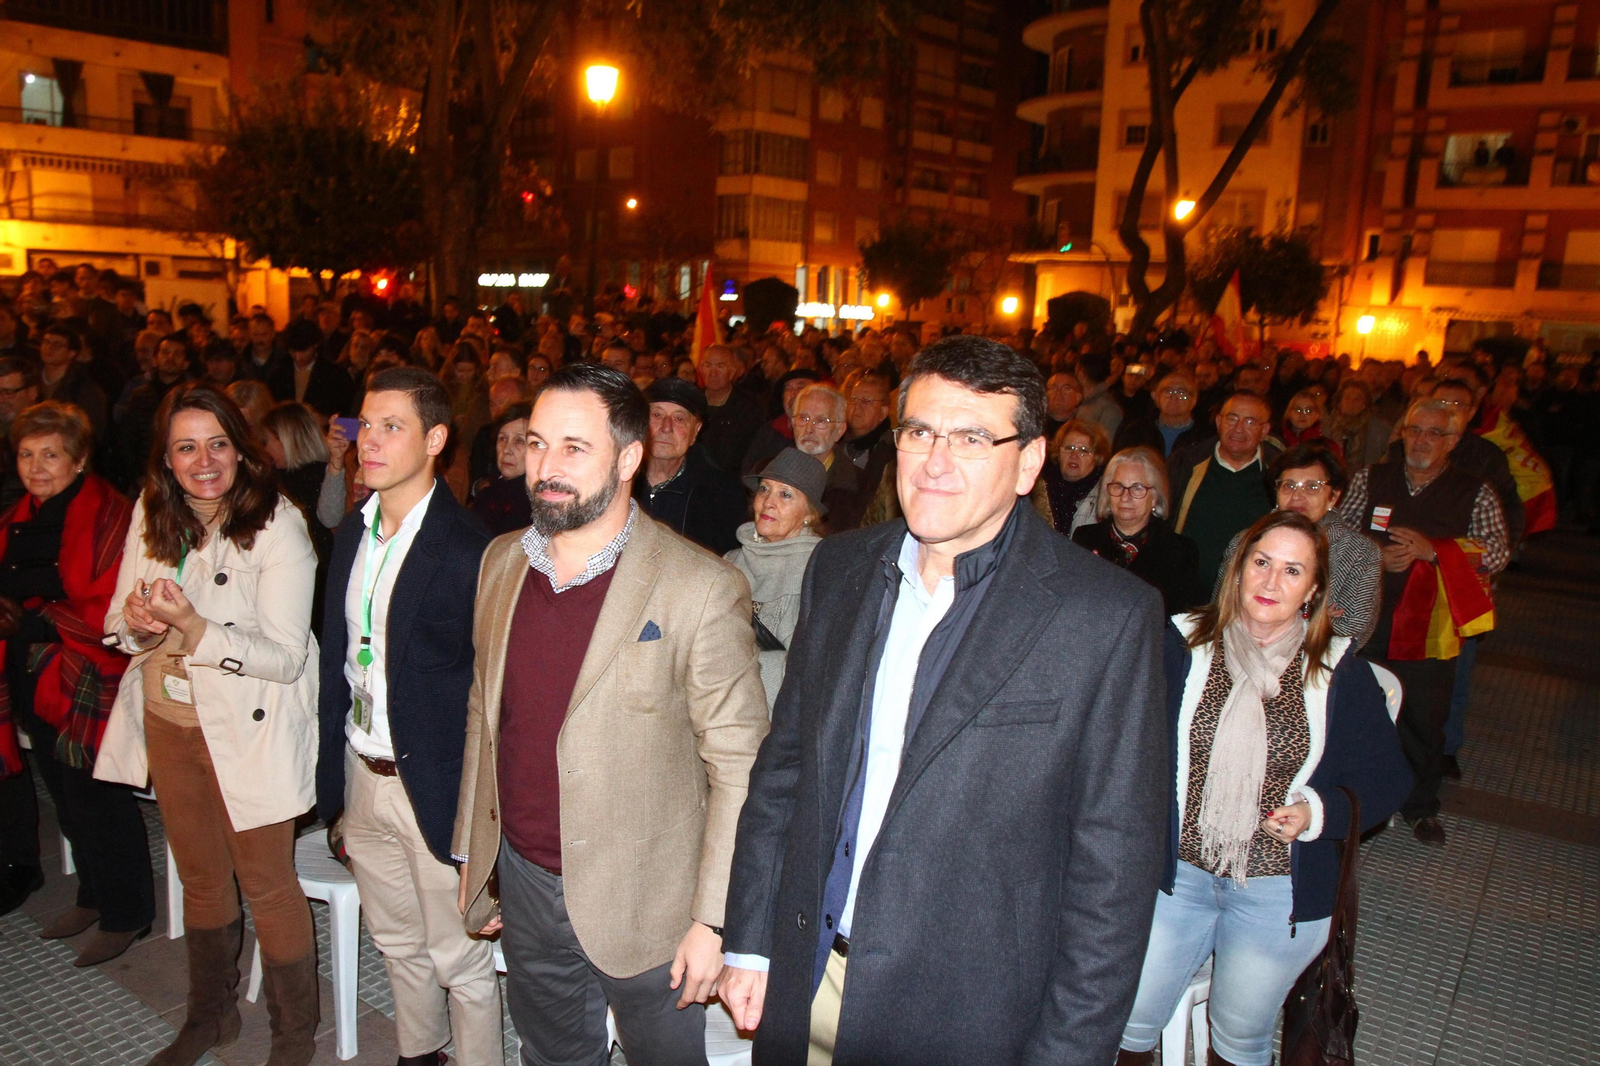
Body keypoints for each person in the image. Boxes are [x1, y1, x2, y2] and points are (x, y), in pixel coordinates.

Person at [718, 336, 1168, 1065]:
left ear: (1027, 463)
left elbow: (1113, 877)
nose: (934, 462)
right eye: (920, 432)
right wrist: (751, 941)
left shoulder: (1104, 619)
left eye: (970, 438)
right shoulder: (840, 569)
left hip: (966, 1012)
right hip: (806, 971)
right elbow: (785, 772)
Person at [453, 363, 769, 1064]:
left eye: (573, 448)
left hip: (652, 901)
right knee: (552, 1055)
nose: (546, 467)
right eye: (536, 444)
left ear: (629, 457)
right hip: (529, 882)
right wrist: (480, 858)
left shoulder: (700, 587)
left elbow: (741, 768)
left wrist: (714, 920)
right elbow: (485, 712)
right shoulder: (501, 562)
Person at [1116, 510, 1411, 1066]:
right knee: (1123, 1019)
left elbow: (1387, 777)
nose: (1271, 582)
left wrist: (1315, 812)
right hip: (1175, 875)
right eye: (1261, 562)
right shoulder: (1181, 645)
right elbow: (1119, 741)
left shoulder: (1334, 668)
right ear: (1238, 569)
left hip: (1279, 887)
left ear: (1314, 589)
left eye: (1292, 571)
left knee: (1237, 1037)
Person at [96, 383, 321, 1066]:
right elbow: (118, 622)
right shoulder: (153, 511)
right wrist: (136, 627)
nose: (204, 460)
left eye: (217, 443)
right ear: (165, 458)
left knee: (268, 885)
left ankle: (291, 1036)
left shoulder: (277, 522)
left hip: (249, 730)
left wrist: (195, 627)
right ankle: (211, 1016)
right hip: (169, 722)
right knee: (198, 878)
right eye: (186, 446)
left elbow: (284, 659)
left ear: (241, 448)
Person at [314, 367, 500, 1066]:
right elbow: (341, 661)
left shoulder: (467, 547)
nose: (371, 440)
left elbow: (489, 692)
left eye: (393, 426)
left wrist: (482, 814)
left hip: (435, 785)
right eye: (366, 424)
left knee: (458, 959)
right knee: (397, 944)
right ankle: (420, 1055)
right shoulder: (351, 533)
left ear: (436, 440)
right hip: (363, 772)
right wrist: (334, 784)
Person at [0, 402, 150, 958]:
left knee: (97, 795)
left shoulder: (110, 514)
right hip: (32, 670)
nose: (36, 467)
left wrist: (35, 618)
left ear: (80, 459)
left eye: (51, 455)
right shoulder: (18, 514)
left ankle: (127, 910)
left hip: (87, 670)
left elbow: (111, 602)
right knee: (62, 793)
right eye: (25, 454)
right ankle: (92, 891)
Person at [1339, 399, 1508, 847]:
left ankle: (1419, 807)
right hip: (1366, 619)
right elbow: (1337, 530)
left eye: (1434, 433)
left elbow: (1497, 551)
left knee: (1424, 721)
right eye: (1414, 430)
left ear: (1452, 441)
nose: (1422, 441)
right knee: (1359, 711)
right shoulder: (1371, 478)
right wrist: (1373, 553)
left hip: (1431, 631)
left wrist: (1434, 551)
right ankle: (1355, 802)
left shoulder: (1475, 490)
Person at [1219, 443, 1382, 647]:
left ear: (1333, 496)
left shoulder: (1360, 552)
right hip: (1238, 650)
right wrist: (1316, 615)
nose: (1297, 496)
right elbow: (1222, 607)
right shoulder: (1244, 541)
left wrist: (1271, 620)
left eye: (1312, 487)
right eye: (1288, 485)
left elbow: (1352, 629)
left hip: (1317, 664)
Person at [725, 448, 826, 713]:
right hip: (716, 710)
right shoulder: (730, 561)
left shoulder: (820, 572)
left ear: (809, 513)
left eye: (785, 494)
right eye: (764, 490)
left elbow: (809, 671)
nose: (769, 502)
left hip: (772, 719)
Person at [1073, 446, 1203, 614]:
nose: (1125, 497)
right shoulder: (1083, 540)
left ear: (1155, 497)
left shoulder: (1181, 552)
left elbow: (1185, 621)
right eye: (1118, 486)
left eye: (1137, 488)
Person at [1171, 392, 1283, 584]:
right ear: (1218, 422)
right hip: (1185, 586)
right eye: (1232, 419)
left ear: (1264, 431)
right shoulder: (1186, 464)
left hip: (1250, 591)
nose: (1238, 429)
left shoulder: (1280, 474)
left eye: (1250, 422)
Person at [633, 376, 748, 555]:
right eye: (656, 415)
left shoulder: (722, 495)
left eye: (679, 418)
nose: (666, 427)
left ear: (695, 431)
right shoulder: (616, 482)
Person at [788, 384, 865, 533]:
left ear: (839, 430)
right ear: (793, 423)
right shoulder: (772, 474)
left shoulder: (859, 486)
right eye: (804, 418)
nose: (809, 428)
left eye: (821, 421)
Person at [269, 319, 355, 420]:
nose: (298, 357)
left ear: (315, 345)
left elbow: (347, 411)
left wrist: (326, 419)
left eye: (303, 351)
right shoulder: (279, 372)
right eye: (293, 351)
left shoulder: (335, 375)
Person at [470, 402, 534, 536]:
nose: (506, 450)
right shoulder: (485, 497)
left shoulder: (537, 507)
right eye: (502, 439)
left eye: (519, 441)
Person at [1041, 417, 1110, 537]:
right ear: (1058, 452)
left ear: (1097, 457)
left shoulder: (1104, 496)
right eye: (1069, 448)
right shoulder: (1040, 489)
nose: (1074, 455)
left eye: (1084, 450)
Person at [1114, 371, 1208, 458]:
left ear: (1194, 401)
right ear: (1156, 398)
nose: (1173, 397)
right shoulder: (1137, 431)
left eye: (1181, 392)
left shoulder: (1205, 437)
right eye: (1167, 391)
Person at [1324, 380, 1391, 472]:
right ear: (1340, 401)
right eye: (1347, 398)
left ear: (1364, 404)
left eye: (1357, 399)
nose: (1351, 403)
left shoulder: (1379, 430)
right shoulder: (1326, 425)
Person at [1043, 371, 1083, 440]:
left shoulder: (1082, 431)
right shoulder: (1035, 428)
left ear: (1078, 397)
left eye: (1066, 388)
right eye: (1053, 388)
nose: (1058, 393)